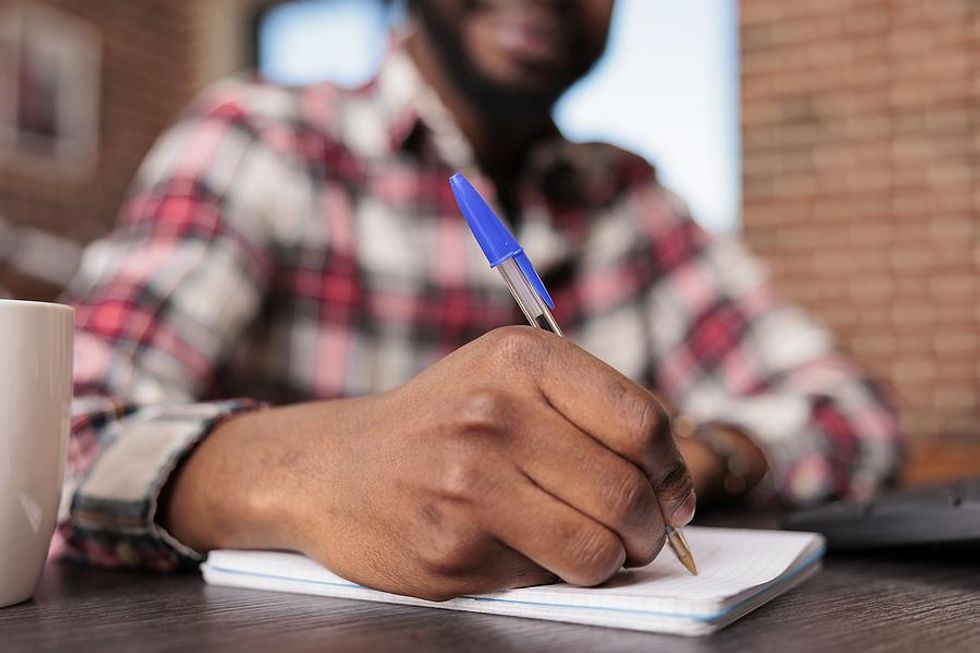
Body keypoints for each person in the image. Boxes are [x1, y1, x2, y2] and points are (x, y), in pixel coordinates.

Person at [58, 0, 901, 599]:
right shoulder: (262, 142)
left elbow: (852, 411)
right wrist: (311, 469)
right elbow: (52, 434)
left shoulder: (630, 204)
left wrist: (694, 461)